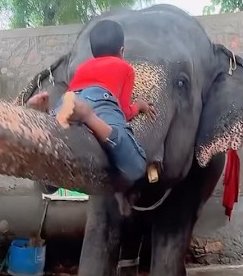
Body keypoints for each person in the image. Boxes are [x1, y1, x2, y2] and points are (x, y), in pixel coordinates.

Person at [26, 20, 156, 190]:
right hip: (99, 100)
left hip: (69, 102)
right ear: (122, 51)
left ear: (94, 53)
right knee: (136, 166)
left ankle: (44, 119)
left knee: (52, 174)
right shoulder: (125, 68)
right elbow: (123, 112)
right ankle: (89, 117)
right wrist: (138, 106)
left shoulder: (82, 68)